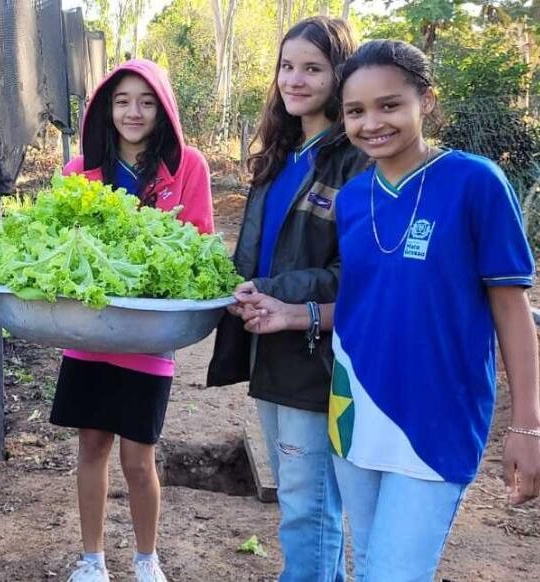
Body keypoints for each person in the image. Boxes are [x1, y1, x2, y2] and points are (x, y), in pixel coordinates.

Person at [236, 39, 540, 580]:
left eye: (389, 105)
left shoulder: (475, 183)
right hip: (355, 412)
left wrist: (527, 426)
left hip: (436, 419)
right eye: (356, 111)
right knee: (370, 566)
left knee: (394, 572)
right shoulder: (354, 198)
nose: (371, 123)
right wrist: (293, 314)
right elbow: (361, 303)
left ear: (426, 100)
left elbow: (512, 312)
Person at [205, 17, 364, 582]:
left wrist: (270, 291)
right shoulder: (283, 152)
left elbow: (356, 273)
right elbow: (256, 255)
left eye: (312, 68)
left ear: (341, 75)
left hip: (313, 352)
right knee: (302, 500)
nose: (294, 80)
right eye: (287, 66)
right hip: (266, 344)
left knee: (307, 507)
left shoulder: (353, 161)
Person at [51, 58, 212, 582]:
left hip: (149, 338)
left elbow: (199, 243)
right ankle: (92, 559)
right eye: (122, 101)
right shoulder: (80, 171)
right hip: (88, 332)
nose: (133, 112)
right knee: (92, 445)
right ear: (105, 109)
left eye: (146, 101)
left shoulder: (188, 166)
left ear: (163, 108)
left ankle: (147, 559)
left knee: (140, 458)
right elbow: (57, 244)